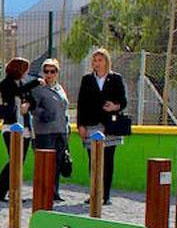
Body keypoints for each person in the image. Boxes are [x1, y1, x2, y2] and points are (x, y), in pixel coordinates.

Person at [76, 48, 128, 205]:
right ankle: (93, 193)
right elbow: (81, 104)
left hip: (109, 125)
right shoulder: (87, 80)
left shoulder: (116, 78)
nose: (97, 63)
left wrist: (115, 106)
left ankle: (105, 195)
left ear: (106, 61)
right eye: (95, 60)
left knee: (108, 160)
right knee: (93, 161)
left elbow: (123, 102)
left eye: (100, 60)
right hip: (91, 124)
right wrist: (80, 125)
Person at [0, 57, 40, 201]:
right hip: (11, 126)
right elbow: (16, 92)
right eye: (25, 69)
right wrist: (35, 83)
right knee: (14, 160)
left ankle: (13, 192)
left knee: (20, 161)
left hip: (25, 127)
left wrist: (28, 105)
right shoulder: (7, 83)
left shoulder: (24, 83)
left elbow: (33, 101)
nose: (27, 72)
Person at [31, 58, 71, 202]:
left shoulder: (60, 89)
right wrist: (43, 114)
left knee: (58, 162)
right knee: (45, 164)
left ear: (57, 73)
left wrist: (67, 128)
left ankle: (55, 191)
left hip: (61, 130)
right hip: (44, 131)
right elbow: (32, 107)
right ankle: (43, 191)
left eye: (52, 71)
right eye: (46, 71)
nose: (49, 74)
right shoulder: (38, 88)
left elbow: (64, 109)